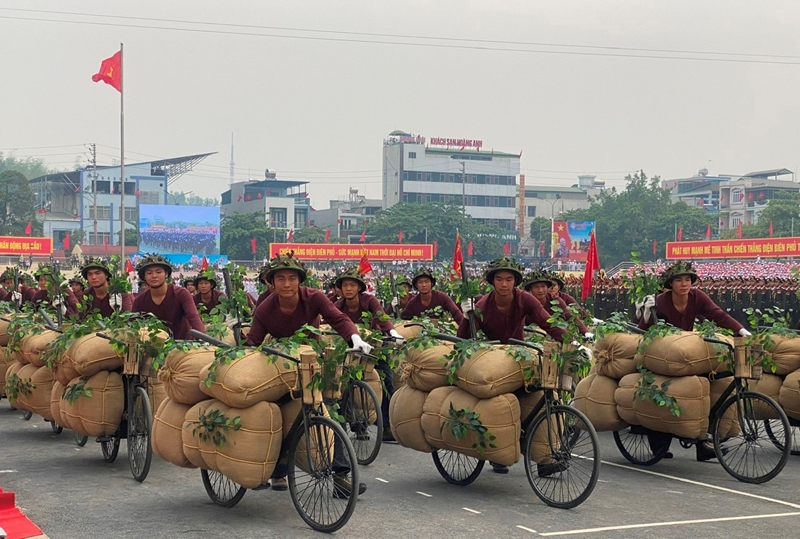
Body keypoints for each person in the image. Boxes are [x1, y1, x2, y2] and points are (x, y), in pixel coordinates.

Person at [246, 253, 372, 497]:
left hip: (313, 364)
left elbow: (338, 318)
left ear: (300, 281)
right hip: (279, 368)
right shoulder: (265, 308)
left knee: (332, 410)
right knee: (276, 414)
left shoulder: (314, 297)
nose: (286, 284)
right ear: (272, 282)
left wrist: (355, 337)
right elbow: (254, 342)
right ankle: (278, 470)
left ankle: (340, 476)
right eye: (280, 279)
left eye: (292, 278)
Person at [456, 257, 576, 476]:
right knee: (499, 405)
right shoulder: (482, 304)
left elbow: (547, 321)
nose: (504, 284)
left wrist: (572, 342)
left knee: (543, 399)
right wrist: (467, 317)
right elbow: (462, 338)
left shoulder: (526, 300)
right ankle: (497, 454)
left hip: (519, 356)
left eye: (509, 279)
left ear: (516, 281)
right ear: (492, 282)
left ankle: (545, 459)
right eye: (499, 279)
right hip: (492, 362)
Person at [635, 260, 750, 462]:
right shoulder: (660, 301)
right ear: (671, 284)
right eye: (679, 280)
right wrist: (645, 313)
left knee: (711, 384)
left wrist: (740, 330)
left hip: (688, 353)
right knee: (662, 389)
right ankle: (658, 442)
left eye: (688, 280)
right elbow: (644, 331)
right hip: (665, 355)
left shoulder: (698, 297)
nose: (684, 284)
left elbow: (717, 314)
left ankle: (703, 442)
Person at [332, 267, 405, 442]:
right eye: (345, 285)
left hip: (374, 346)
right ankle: (357, 425)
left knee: (386, 379)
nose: (348, 288)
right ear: (340, 289)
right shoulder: (337, 306)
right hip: (349, 348)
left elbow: (382, 318)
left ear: (359, 287)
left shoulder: (370, 301)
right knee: (347, 382)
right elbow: (329, 325)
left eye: (352, 285)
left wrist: (393, 333)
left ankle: (386, 425)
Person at [132, 254, 205, 340]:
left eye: (158, 272)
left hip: (183, 345)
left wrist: (204, 339)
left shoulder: (181, 294)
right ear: (144, 277)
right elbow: (133, 325)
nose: (154, 276)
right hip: (154, 347)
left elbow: (193, 317)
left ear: (166, 274)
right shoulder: (140, 301)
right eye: (149, 273)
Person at [521, 271, 591, 338]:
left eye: (543, 286)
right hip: (530, 336)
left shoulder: (556, 300)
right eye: (536, 287)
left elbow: (569, 316)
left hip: (555, 336)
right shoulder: (525, 301)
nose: (540, 290)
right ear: (530, 289)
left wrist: (586, 333)